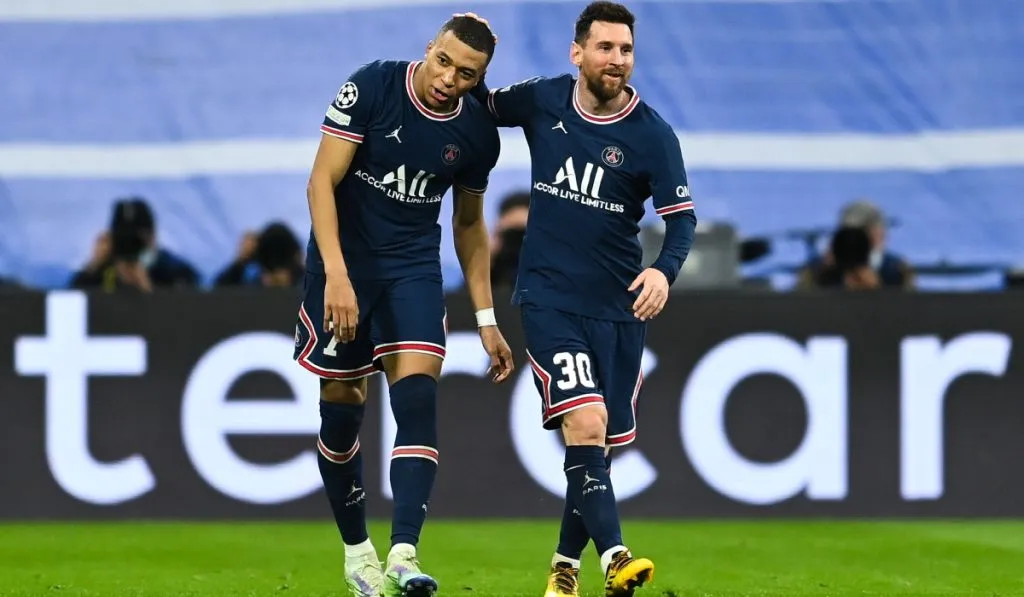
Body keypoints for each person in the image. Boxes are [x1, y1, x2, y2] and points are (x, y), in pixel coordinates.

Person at [463, 3, 696, 596]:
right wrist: (464, 55)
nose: (616, 60)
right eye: (605, 48)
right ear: (578, 53)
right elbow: (480, 101)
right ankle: (615, 558)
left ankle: (564, 570)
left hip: (619, 310)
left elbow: (683, 221)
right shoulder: (543, 100)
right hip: (549, 300)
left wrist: (665, 272)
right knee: (586, 425)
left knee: (596, 447)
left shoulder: (652, 135)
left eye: (625, 50)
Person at [293, 15, 515, 597]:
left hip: (413, 270)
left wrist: (486, 318)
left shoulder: (477, 134)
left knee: (417, 396)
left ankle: (403, 554)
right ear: (429, 51)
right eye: (444, 62)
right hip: (343, 264)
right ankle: (357, 553)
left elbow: (468, 226)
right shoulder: (372, 87)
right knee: (341, 414)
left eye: (467, 74)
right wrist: (336, 277)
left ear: (480, 77)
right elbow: (321, 182)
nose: (450, 80)